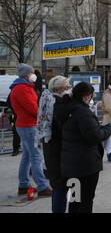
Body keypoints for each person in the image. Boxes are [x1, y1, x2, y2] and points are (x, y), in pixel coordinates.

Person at [60, 82, 111, 213]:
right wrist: (109, 129)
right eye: (92, 95)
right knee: (86, 199)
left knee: (74, 198)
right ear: (87, 96)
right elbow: (94, 136)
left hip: (70, 163)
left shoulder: (67, 108)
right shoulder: (83, 112)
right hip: (85, 165)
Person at [9, 64, 52, 197]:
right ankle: (42, 186)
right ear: (27, 75)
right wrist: (43, 116)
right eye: (32, 73)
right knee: (36, 156)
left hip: (24, 124)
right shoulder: (22, 88)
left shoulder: (21, 87)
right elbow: (32, 108)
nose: (34, 75)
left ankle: (23, 185)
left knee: (27, 156)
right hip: (28, 125)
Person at [38, 76, 71, 213]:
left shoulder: (46, 99)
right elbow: (64, 128)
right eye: (67, 86)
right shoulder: (58, 104)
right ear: (59, 88)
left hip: (49, 146)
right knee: (62, 186)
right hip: (59, 150)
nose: (69, 89)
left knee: (58, 185)